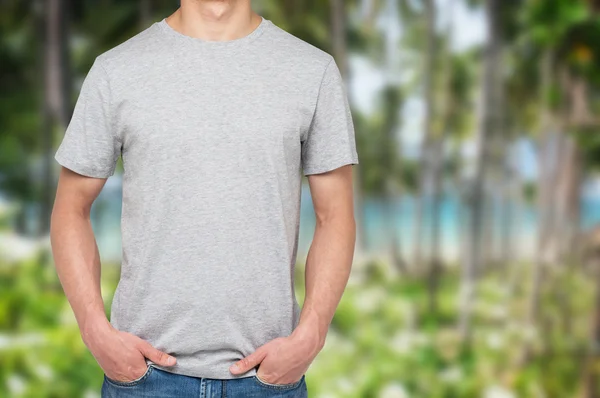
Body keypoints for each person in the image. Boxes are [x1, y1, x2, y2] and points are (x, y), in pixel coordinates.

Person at [50, 0, 358, 396]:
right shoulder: (116, 70)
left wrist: (312, 334)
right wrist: (94, 329)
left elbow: (336, 217)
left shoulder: (312, 70)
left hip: (267, 381)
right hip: (142, 378)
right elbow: (70, 209)